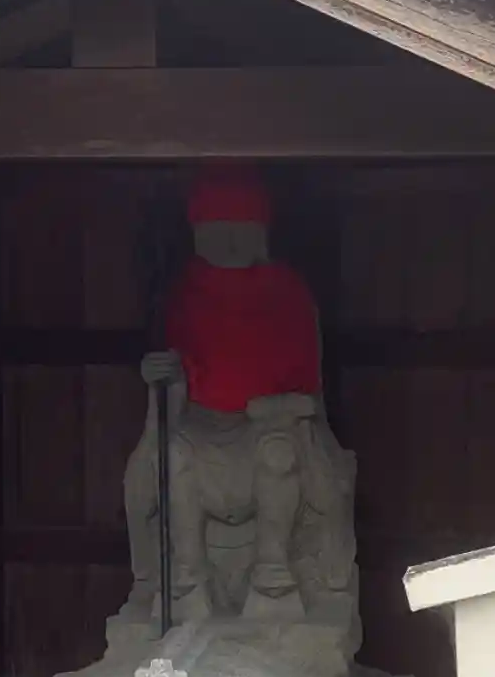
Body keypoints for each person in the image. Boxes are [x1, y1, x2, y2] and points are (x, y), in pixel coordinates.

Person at [126, 166, 350, 624]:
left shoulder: (287, 294)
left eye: (239, 230)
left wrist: (274, 409)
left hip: (271, 424)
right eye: (216, 230)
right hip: (200, 424)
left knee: (278, 452)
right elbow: (176, 372)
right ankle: (188, 580)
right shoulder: (183, 294)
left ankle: (273, 575)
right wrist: (161, 373)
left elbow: (308, 392)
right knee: (174, 453)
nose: (228, 242)